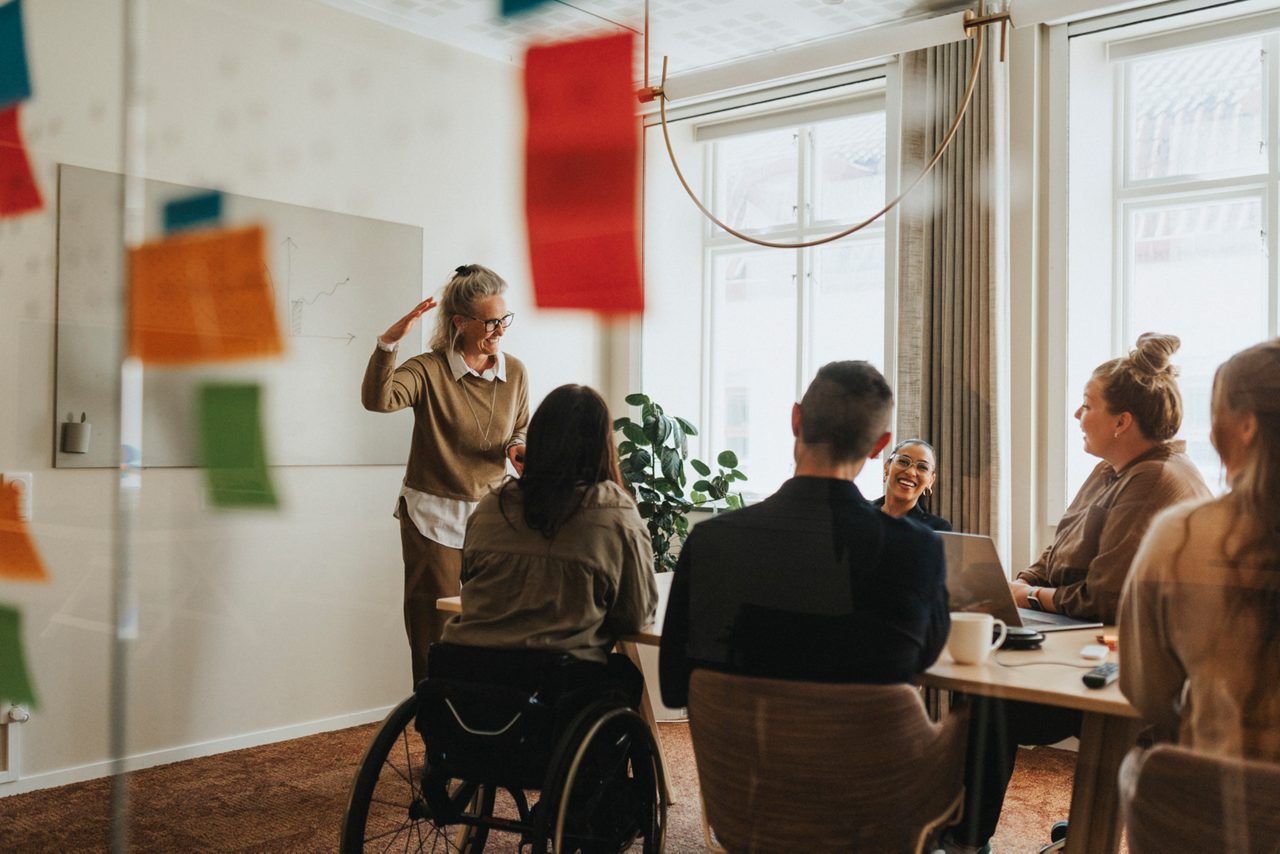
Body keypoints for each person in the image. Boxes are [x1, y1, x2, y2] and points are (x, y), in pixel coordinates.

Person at [946, 332, 1211, 853]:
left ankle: (965, 839)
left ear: (1122, 422)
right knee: (978, 680)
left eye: (1087, 405)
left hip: (1142, 672)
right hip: (1090, 639)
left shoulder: (1155, 480)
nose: (1076, 414)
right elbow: (1056, 554)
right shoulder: (1109, 471)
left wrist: (1031, 600)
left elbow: (1106, 599)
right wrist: (1016, 585)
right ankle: (966, 832)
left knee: (987, 694)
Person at [658, 360, 949, 709]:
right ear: (878, 448)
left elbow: (674, 686)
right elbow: (922, 660)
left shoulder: (710, 540)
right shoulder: (919, 548)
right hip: (865, 758)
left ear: (796, 419)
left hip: (738, 757)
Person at [362, 264, 529, 687]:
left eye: (504, 320)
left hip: (492, 517)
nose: (501, 331)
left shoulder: (515, 373)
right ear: (460, 322)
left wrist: (516, 447)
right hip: (432, 516)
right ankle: (437, 731)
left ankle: (483, 727)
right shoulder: (429, 370)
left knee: (492, 625)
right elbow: (378, 400)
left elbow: (521, 425)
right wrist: (387, 345)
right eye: (491, 322)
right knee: (433, 633)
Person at [441, 383, 659, 703]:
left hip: (464, 674)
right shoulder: (615, 512)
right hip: (553, 685)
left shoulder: (491, 505)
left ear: (538, 439)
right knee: (623, 676)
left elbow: (470, 580)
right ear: (603, 445)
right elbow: (635, 614)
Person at [1119, 339, 1280, 761]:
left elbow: (1146, 690)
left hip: (1218, 806)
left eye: (1216, 416)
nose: (1209, 433)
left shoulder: (1180, 537)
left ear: (1246, 426)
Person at [872, 438, 952, 531]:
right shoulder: (859, 513)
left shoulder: (937, 529)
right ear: (887, 467)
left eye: (922, 467)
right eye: (903, 462)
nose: (911, 472)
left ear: (931, 480)